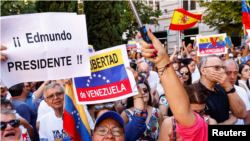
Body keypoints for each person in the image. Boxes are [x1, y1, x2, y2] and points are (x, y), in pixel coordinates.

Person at [138, 28, 208, 141]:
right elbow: (182, 110)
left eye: (201, 112)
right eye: (193, 112)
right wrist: (162, 60)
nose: (196, 116)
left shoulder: (203, 125)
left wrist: (162, 60)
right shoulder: (172, 123)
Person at [93, 67, 148, 141]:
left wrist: (135, 84)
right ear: (92, 135)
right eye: (102, 130)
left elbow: (140, 116)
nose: (109, 136)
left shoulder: (126, 137)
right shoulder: (83, 136)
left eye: (116, 131)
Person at [198, 54, 247, 124]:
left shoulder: (222, 88)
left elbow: (242, 114)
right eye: (216, 67)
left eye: (223, 67)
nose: (222, 71)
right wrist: (228, 122)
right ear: (203, 70)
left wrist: (229, 87)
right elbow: (201, 127)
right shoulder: (195, 93)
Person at [224, 60, 250, 125]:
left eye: (235, 73)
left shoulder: (241, 91)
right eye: (228, 73)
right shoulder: (214, 91)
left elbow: (247, 115)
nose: (233, 77)